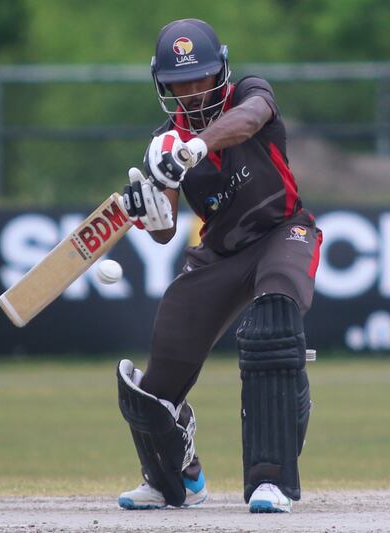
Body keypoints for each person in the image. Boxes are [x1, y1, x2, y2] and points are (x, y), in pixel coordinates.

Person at [116, 19, 320, 513]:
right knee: (155, 383)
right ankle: (178, 480)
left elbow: (249, 119)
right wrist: (151, 208)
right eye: (179, 82)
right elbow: (164, 231)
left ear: (221, 70)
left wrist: (199, 145)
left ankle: (271, 480)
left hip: (282, 233)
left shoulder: (250, 94)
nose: (191, 90)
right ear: (163, 85)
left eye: (201, 77)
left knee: (273, 319)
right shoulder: (163, 142)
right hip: (220, 252)